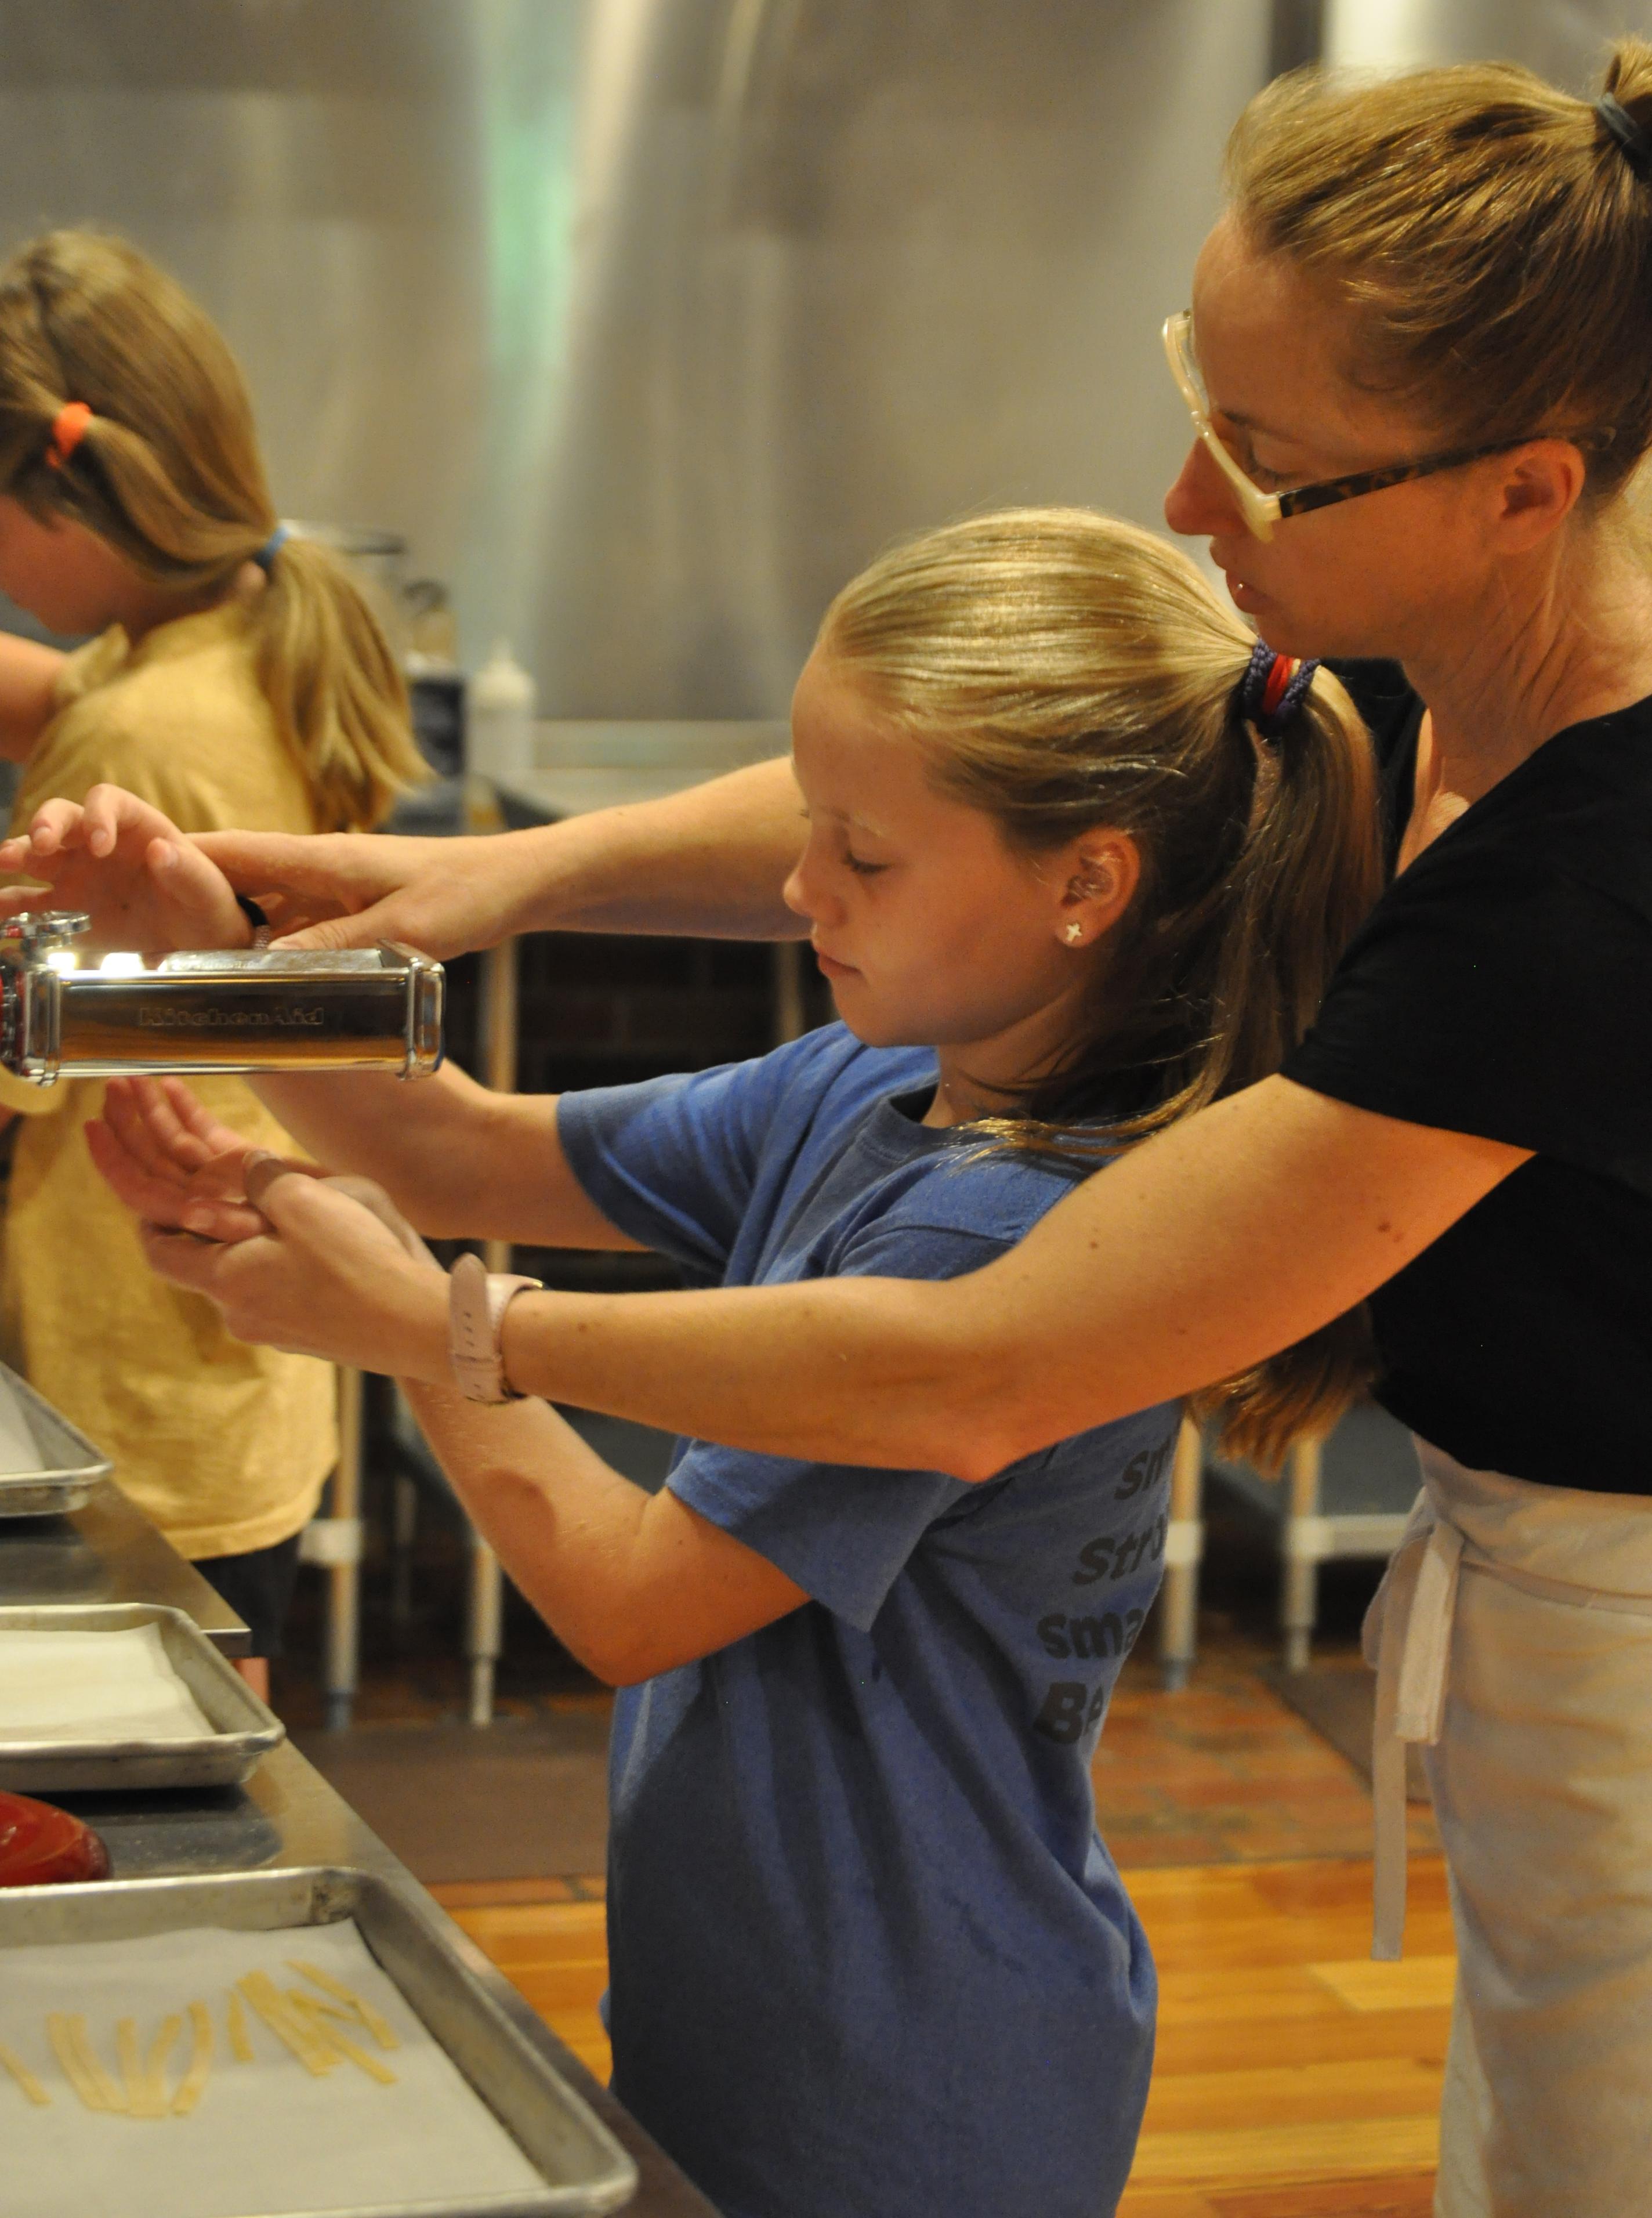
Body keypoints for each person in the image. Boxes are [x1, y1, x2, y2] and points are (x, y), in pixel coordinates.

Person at [15, 44, 1652, 2213]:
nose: (1186, 503)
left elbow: (968, 1366)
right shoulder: (1313, 712)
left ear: (1522, 489)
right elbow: (897, 819)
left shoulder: (1568, 890)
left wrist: (444, 1328)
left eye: (1263, 464)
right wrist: (413, 904)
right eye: (1200, 403)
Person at [79, 510, 1378, 2218]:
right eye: (805, 822)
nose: (794, 888)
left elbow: (632, 1596)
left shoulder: (996, 1223)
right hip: (770, 2008)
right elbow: (459, 1154)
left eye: (863, 854)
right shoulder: (869, 1077)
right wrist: (211, 964)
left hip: (909, 2074)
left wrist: (408, 1326)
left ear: (1086, 882)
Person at [0, 229, 422, 1688]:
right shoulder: (236, 631)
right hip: (230, 1360)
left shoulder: (132, 735)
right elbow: (71, 694)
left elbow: (22, 1058)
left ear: (64, 493)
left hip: (125, 1370)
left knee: (135, 1767)